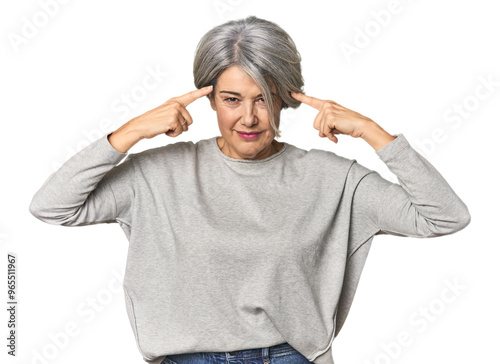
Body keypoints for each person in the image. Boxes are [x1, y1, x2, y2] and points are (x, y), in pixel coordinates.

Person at [29, 15, 471, 364]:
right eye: (231, 99)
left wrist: (374, 133)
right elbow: (51, 206)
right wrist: (128, 133)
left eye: (263, 97)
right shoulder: (158, 174)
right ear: (209, 99)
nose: (249, 117)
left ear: (286, 98)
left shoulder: (333, 179)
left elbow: (445, 216)